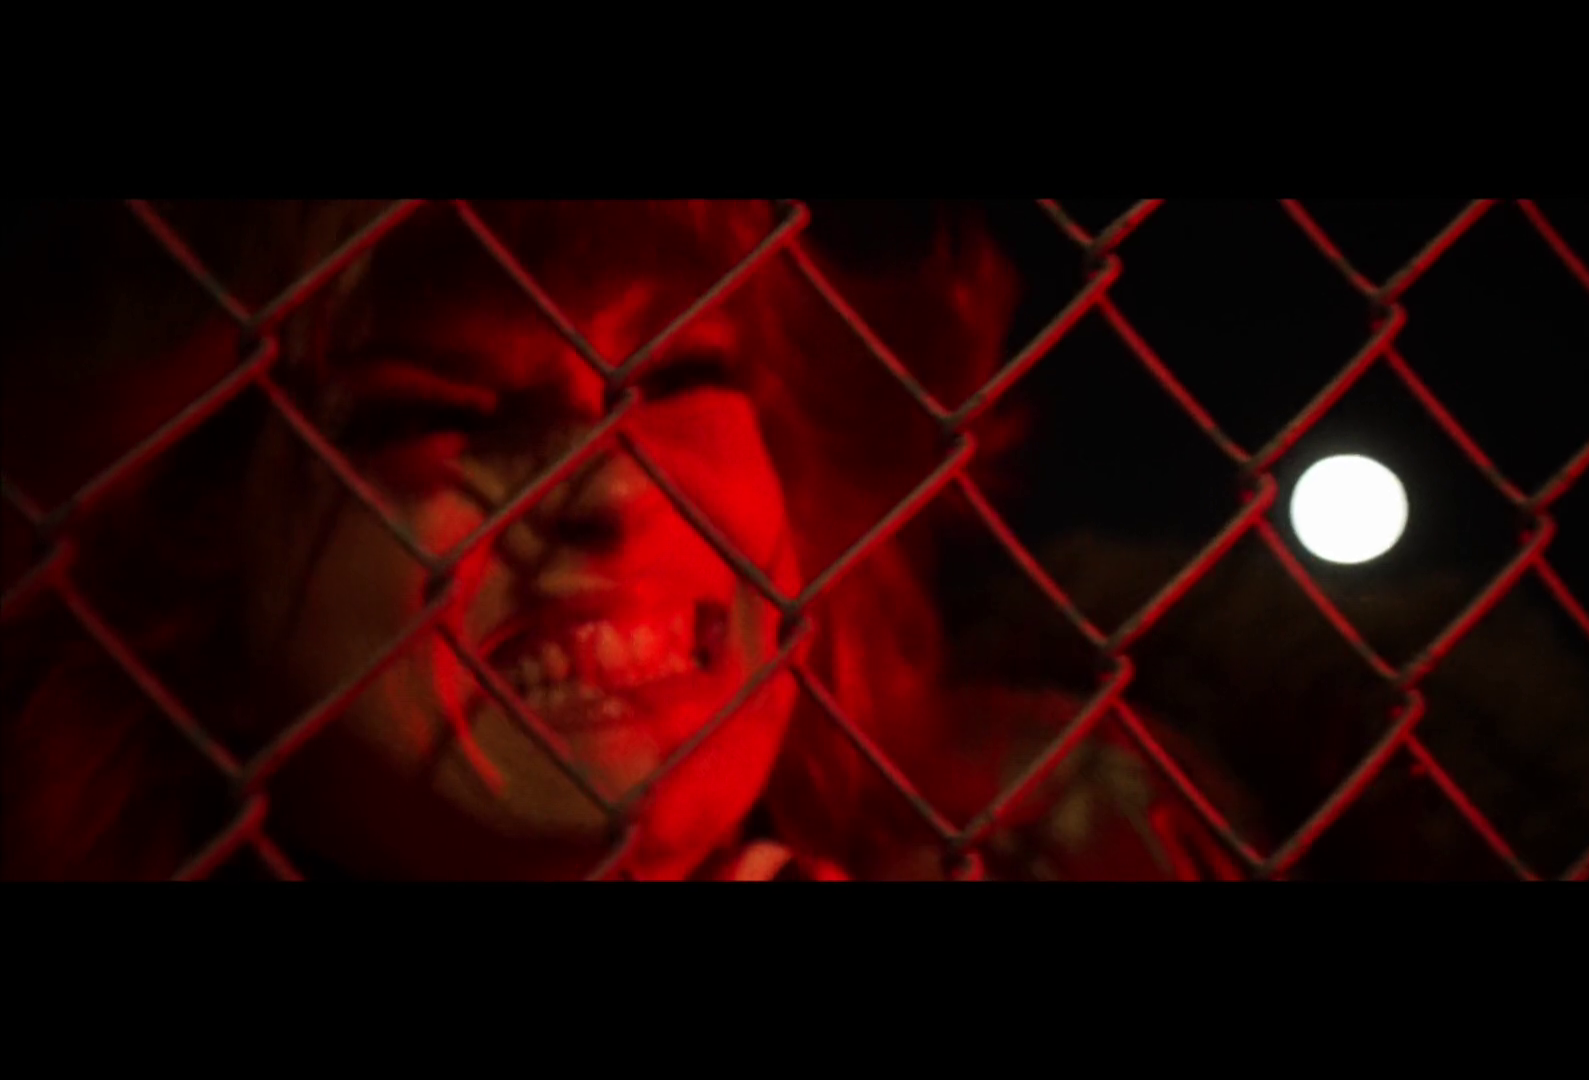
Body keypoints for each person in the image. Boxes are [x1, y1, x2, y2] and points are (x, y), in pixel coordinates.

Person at [0, 200, 1252, 881]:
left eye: (681, 374)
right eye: (427, 415)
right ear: (189, 568)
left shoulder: (1055, 815)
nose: (611, 489)